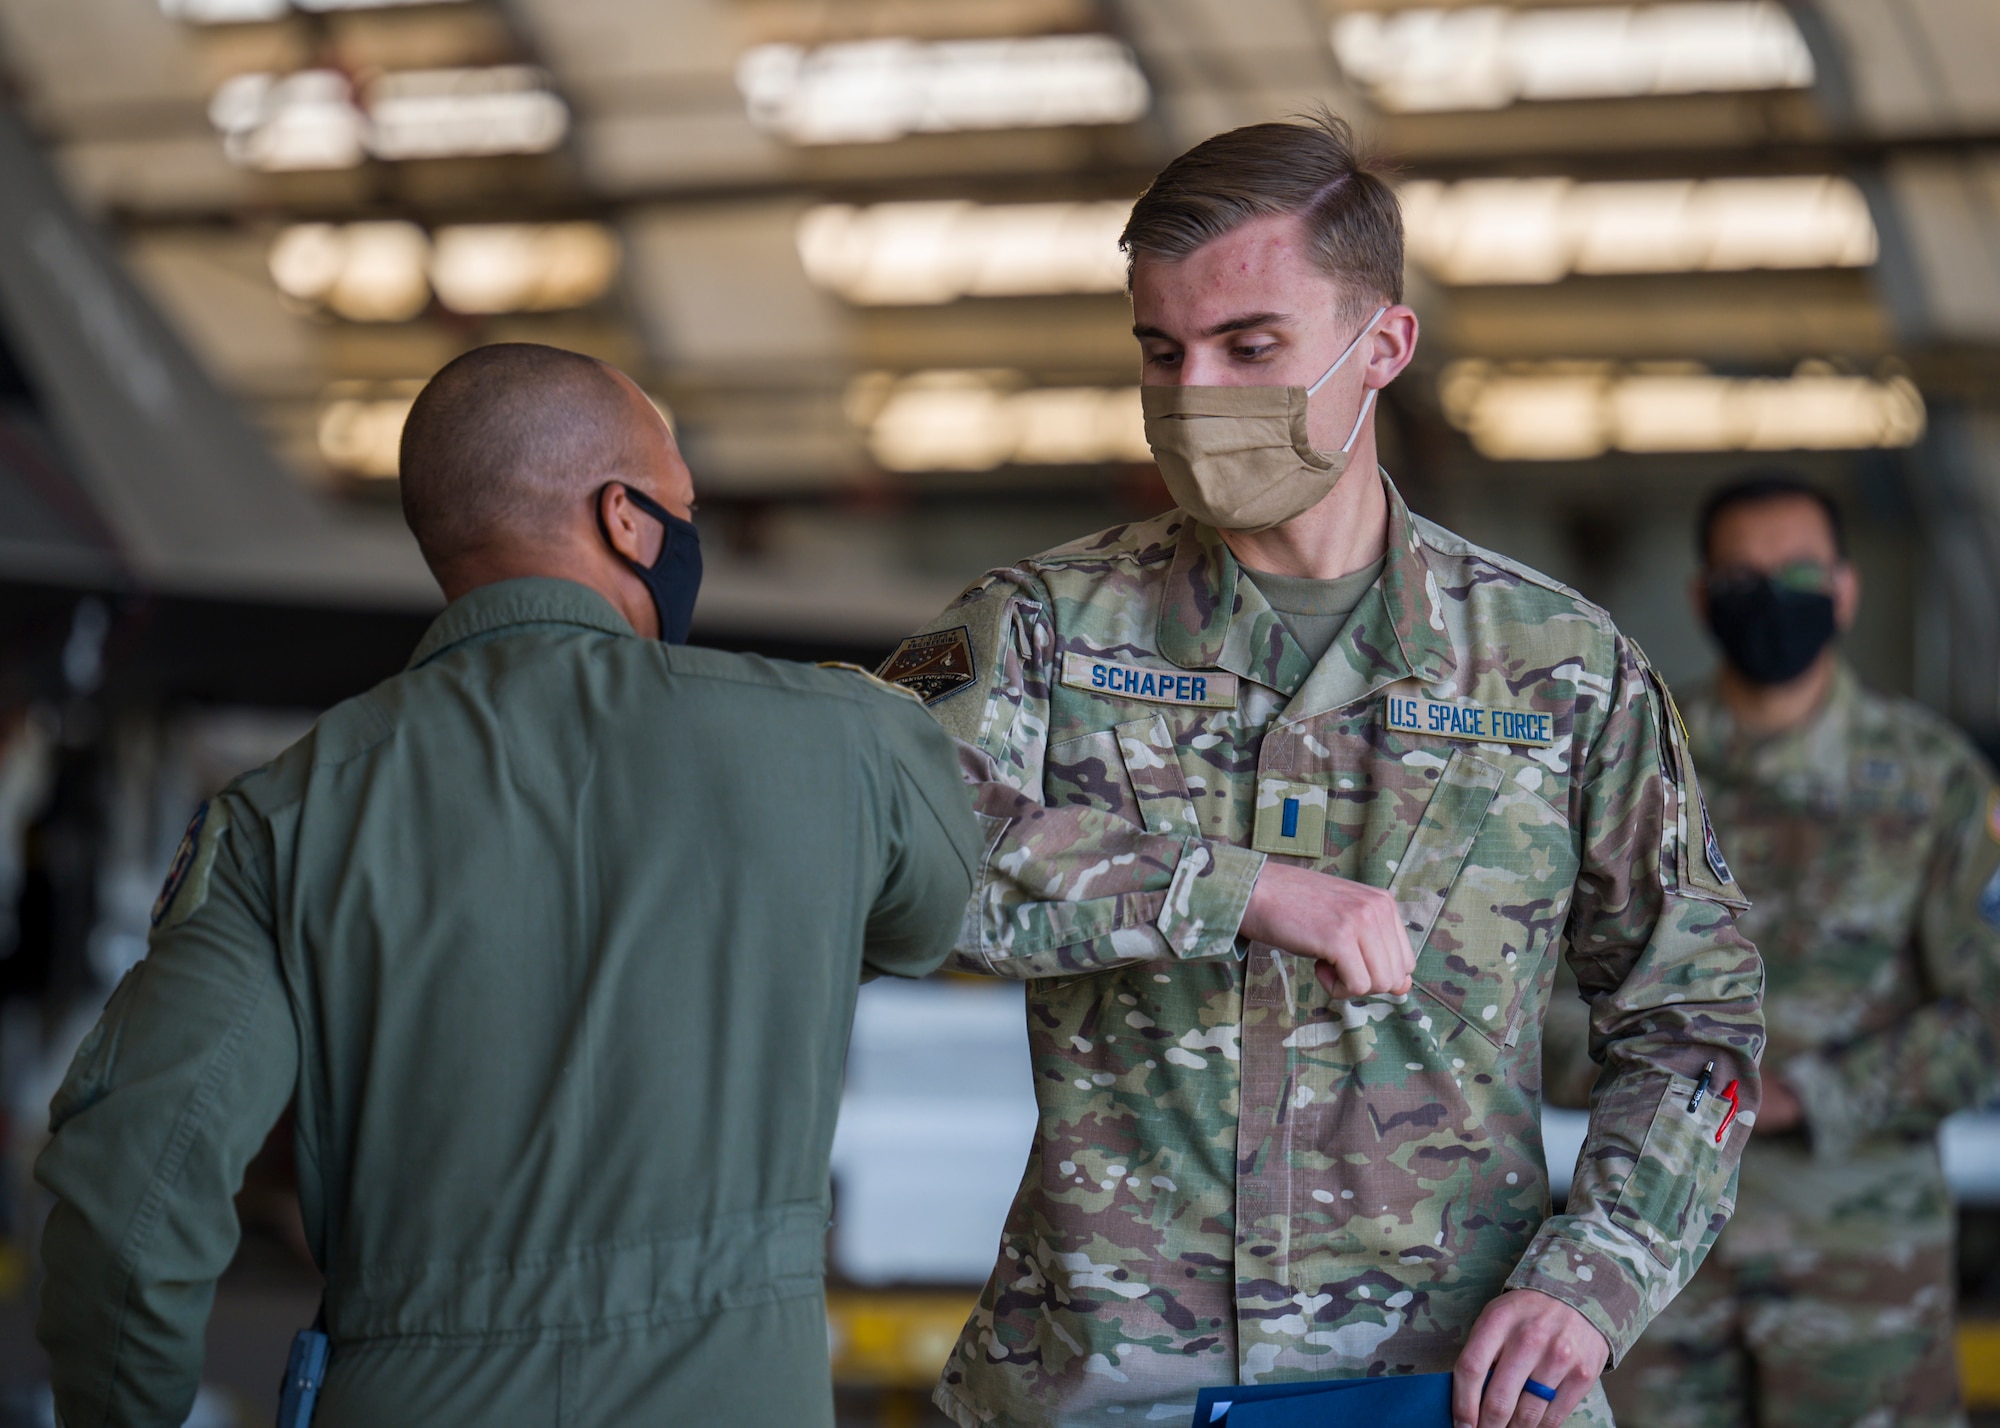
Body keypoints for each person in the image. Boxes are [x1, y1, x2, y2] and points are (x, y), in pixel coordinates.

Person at [878, 115, 1766, 1428]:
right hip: (1115, 1381)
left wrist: (1597, 1278)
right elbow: (897, 853)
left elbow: (1694, 1018)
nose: (1196, 396)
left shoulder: (1560, 669)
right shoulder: (1046, 633)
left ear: (1383, 347)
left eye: (1251, 348)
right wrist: (1230, 889)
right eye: (1161, 351)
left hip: (1444, 1386)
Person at [34, 343, 982, 1428]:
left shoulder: (288, 813)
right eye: (681, 508)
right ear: (627, 521)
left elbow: (130, 1192)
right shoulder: (843, 742)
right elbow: (923, 925)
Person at [1547, 473, 2000, 1428]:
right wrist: (1659, 1080)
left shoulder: (1936, 783)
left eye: (1796, 573)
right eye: (1744, 577)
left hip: (1861, 1256)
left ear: (1844, 589)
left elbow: (1989, 1015)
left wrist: (1811, 1095)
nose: (1772, 597)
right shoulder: (1640, 767)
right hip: (1656, 1250)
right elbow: (1534, 989)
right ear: (1702, 597)